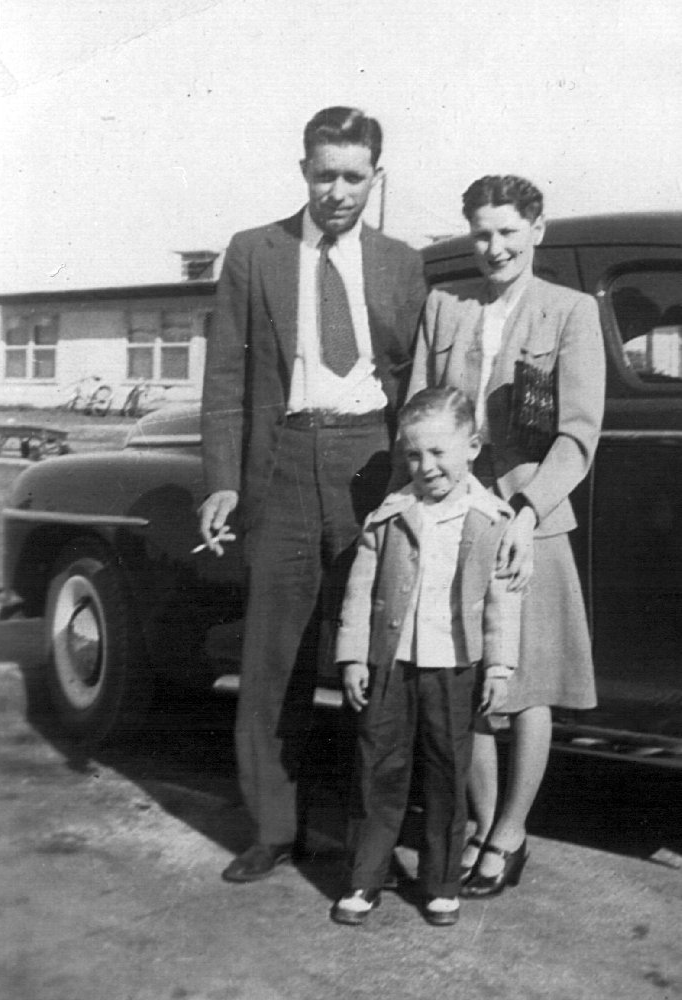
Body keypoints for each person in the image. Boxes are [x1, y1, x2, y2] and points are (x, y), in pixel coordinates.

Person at [199, 106, 427, 883]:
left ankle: (373, 843)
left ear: (376, 178)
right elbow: (227, 377)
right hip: (285, 463)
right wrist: (224, 482)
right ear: (303, 170)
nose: (337, 190)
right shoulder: (253, 253)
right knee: (276, 657)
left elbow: (414, 378)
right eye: (324, 173)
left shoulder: (402, 262)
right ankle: (272, 827)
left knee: (378, 654)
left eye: (354, 176)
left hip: (372, 462)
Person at [408, 175, 605, 898]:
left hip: (530, 522)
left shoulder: (571, 312)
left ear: (536, 231)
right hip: (459, 520)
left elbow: (578, 433)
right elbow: (420, 413)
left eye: (508, 234)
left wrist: (524, 511)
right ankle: (482, 823)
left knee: (529, 687)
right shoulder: (446, 309)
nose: (494, 248)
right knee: (467, 683)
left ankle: (509, 835)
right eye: (482, 234)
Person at [331, 387, 521, 927]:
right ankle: (365, 878)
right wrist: (354, 658)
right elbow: (360, 593)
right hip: (392, 665)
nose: (427, 466)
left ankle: (441, 882)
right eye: (413, 455)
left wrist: (499, 667)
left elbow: (500, 603)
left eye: (439, 452)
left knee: (446, 771)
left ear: (473, 447)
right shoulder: (390, 515)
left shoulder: (489, 518)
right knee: (379, 768)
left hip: (455, 666)